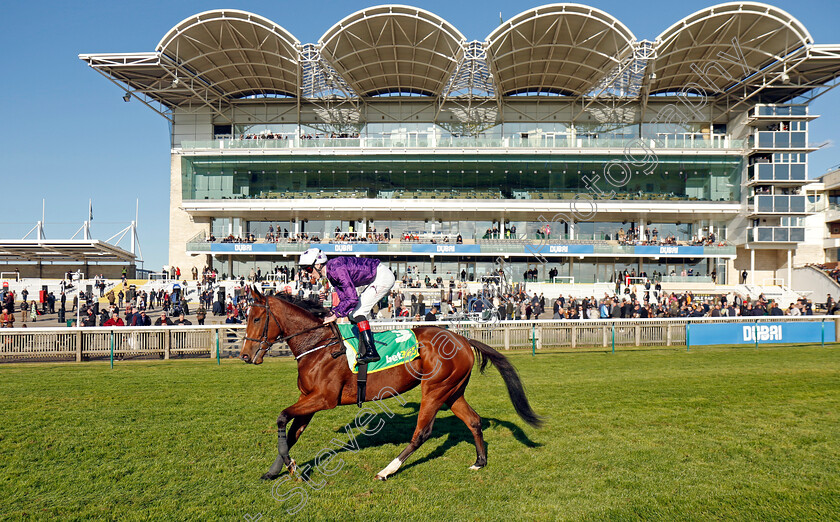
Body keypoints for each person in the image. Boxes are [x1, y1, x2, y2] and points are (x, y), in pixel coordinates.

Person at [298, 247, 395, 364]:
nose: (308, 274)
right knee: (352, 314)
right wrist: (333, 312)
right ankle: (362, 349)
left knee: (358, 313)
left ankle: (371, 351)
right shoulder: (331, 272)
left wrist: (335, 316)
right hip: (377, 277)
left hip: (382, 277)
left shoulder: (336, 270)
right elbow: (344, 299)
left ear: (318, 265)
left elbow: (352, 298)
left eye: (308, 269)